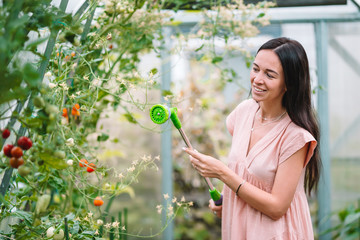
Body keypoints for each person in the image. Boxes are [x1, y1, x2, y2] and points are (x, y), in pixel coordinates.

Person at [183, 37, 320, 240]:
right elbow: (246, 173)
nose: (257, 79)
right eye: (255, 69)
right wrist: (228, 201)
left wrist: (221, 173)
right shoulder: (244, 112)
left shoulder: (295, 137)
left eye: (269, 75)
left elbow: (277, 207)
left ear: (289, 84)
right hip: (239, 229)